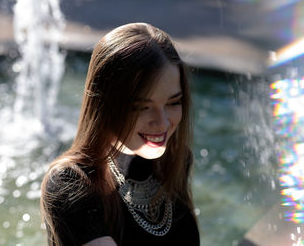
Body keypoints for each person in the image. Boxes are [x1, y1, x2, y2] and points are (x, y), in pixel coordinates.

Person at [40, 22, 200, 246]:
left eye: (173, 102)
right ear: (105, 105)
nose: (163, 122)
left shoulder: (175, 160)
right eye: (142, 107)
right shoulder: (71, 184)